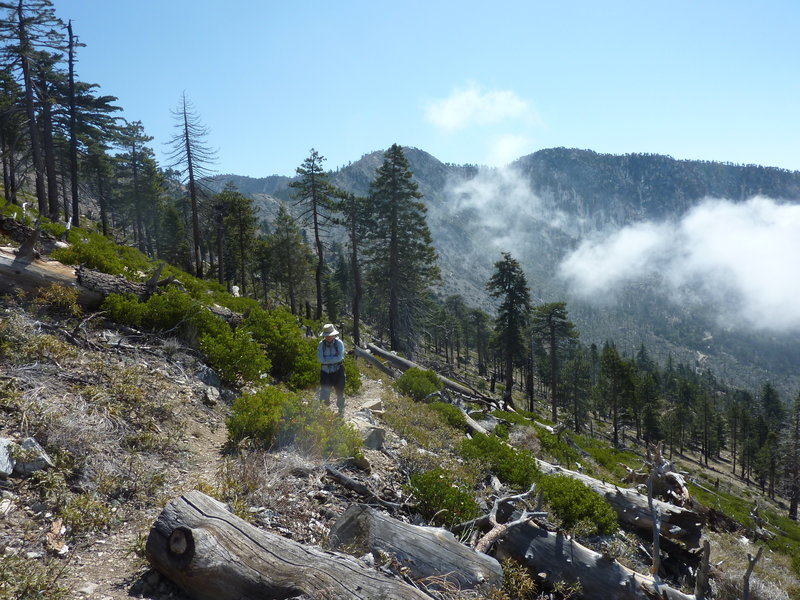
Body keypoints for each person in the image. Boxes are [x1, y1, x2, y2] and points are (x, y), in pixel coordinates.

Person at [317, 323, 346, 417]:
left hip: (338, 370)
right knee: (324, 392)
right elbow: (320, 359)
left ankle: (341, 410)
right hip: (325, 372)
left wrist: (327, 360)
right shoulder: (321, 345)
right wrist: (332, 359)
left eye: (329, 335)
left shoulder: (339, 343)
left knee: (340, 391)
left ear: (333, 334)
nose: (328, 337)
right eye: (326, 335)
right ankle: (324, 412)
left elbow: (340, 358)